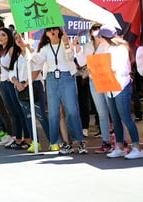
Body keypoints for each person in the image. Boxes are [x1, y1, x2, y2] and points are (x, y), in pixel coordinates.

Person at [30, 27, 87, 155]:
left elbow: (70, 57)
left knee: (72, 110)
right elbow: (38, 60)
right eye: (49, 30)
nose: (52, 32)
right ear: (46, 34)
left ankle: (79, 141)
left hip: (67, 77)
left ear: (59, 31)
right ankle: (65, 143)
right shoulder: (45, 48)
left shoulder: (65, 43)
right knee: (55, 113)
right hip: (51, 79)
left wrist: (67, 44)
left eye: (54, 29)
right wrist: (27, 48)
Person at [93, 25, 143, 159]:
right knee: (115, 120)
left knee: (126, 118)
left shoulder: (120, 49)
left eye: (100, 37)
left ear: (104, 37)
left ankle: (137, 148)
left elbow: (120, 69)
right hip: (109, 87)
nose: (98, 39)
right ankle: (119, 147)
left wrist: (107, 69)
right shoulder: (106, 48)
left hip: (121, 86)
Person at [75, 23, 113, 153]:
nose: (96, 32)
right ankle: (106, 141)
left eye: (98, 29)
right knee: (101, 113)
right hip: (93, 80)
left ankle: (120, 141)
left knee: (113, 111)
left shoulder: (108, 45)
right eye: (94, 29)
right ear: (90, 32)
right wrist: (78, 49)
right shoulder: (88, 46)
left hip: (107, 80)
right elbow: (81, 63)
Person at [10, 33, 50, 152]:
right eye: (16, 38)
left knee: (40, 115)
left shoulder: (33, 52)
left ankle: (53, 140)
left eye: (21, 37)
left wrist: (27, 83)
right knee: (28, 116)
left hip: (34, 85)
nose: (19, 40)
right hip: (20, 88)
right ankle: (35, 142)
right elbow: (11, 73)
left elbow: (39, 66)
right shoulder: (16, 56)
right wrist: (17, 83)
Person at [0, 28, 30, 149]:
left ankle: (26, 138)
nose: (0, 38)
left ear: (8, 37)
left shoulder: (11, 49)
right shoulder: (2, 51)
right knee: (12, 112)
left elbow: (13, 67)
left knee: (19, 112)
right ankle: (17, 138)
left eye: (3, 35)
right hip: (4, 83)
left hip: (11, 83)